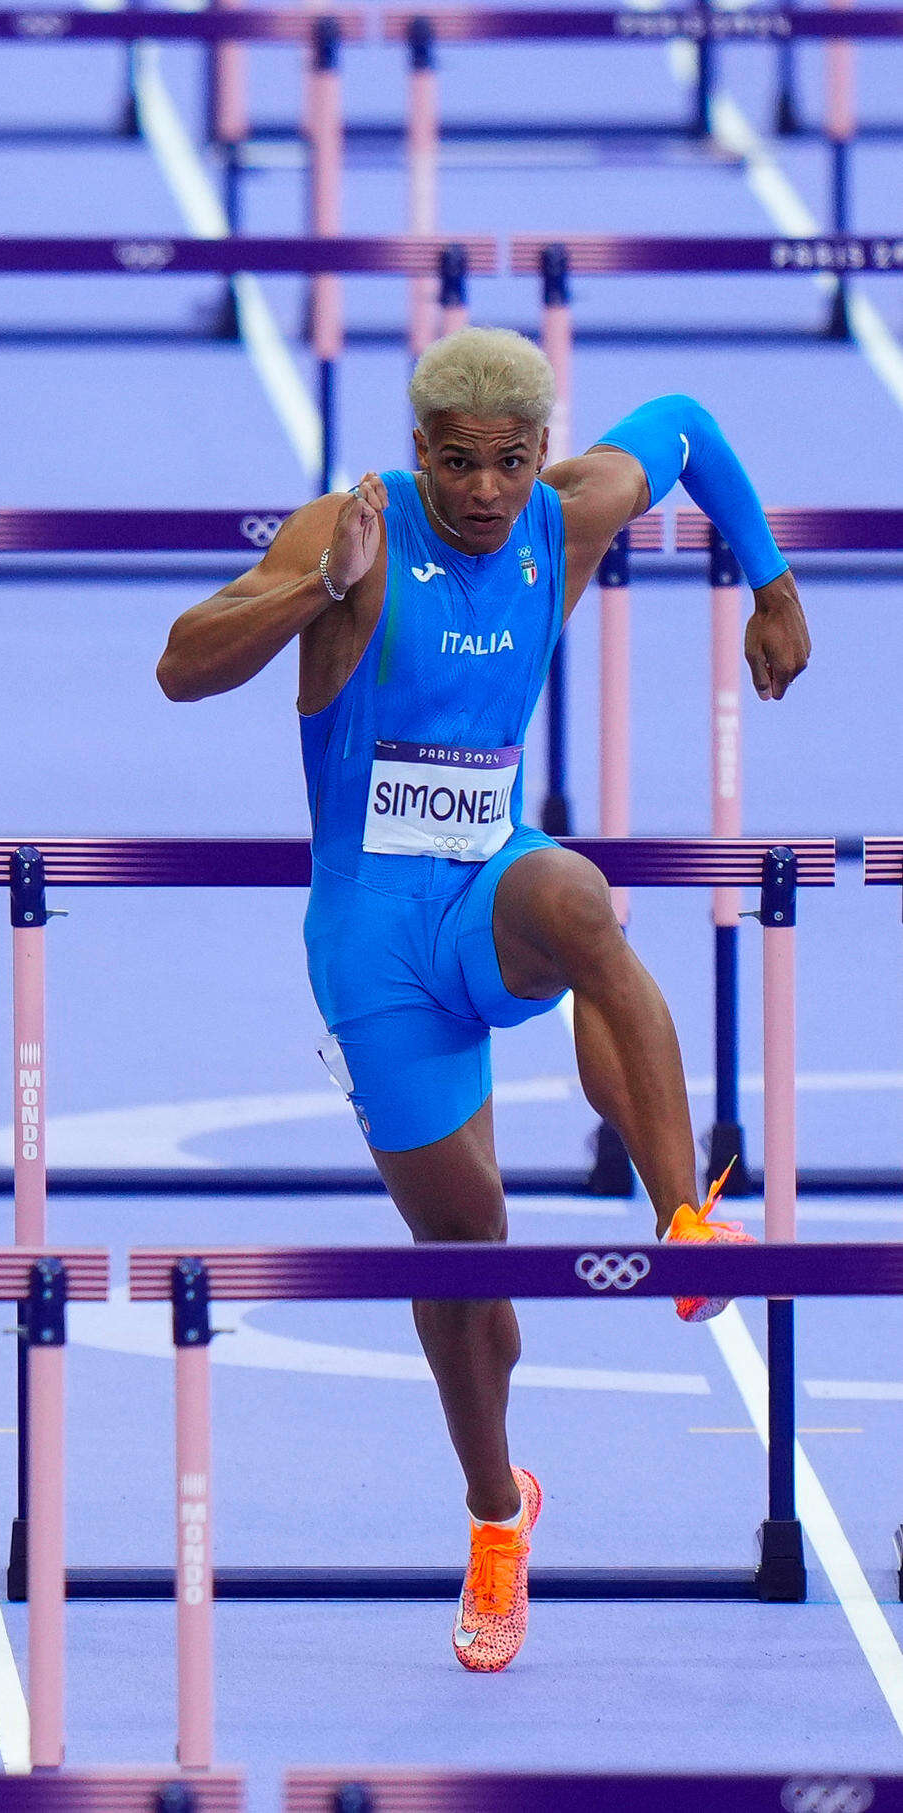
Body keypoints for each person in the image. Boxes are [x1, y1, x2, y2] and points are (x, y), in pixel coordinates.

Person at [157, 327, 811, 1674]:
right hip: (370, 948)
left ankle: (683, 1217)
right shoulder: (351, 529)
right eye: (457, 466)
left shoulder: (558, 522)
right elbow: (180, 661)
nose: (482, 492)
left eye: (507, 465)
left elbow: (684, 417)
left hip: (485, 897)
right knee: (467, 1268)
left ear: (534, 456)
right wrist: (311, 595)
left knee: (577, 899)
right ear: (417, 453)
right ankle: (495, 1509)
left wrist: (769, 577)